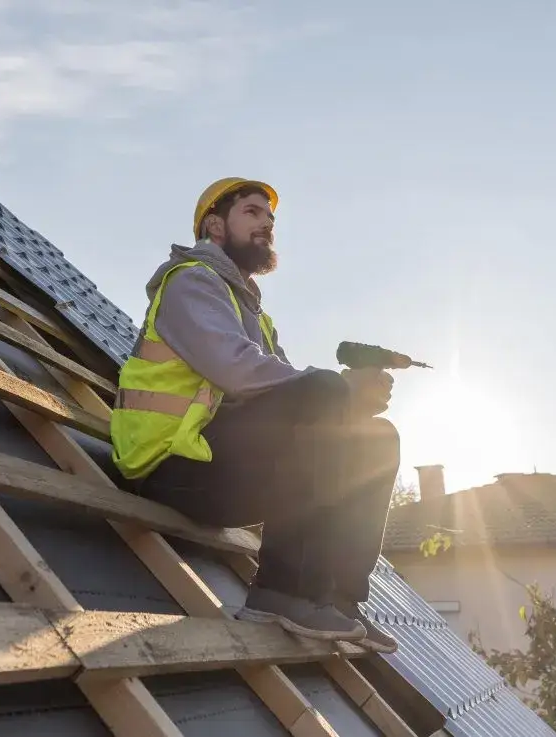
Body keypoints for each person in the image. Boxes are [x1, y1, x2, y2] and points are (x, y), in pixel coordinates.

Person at [109, 177, 399, 653]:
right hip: (166, 465)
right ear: (214, 226)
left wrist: (354, 404)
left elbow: (292, 398)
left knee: (378, 437)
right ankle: (280, 592)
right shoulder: (190, 282)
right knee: (325, 390)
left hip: (219, 467)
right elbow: (239, 371)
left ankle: (338, 598)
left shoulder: (257, 315)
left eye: (270, 218)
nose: (266, 224)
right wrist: (338, 390)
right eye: (252, 212)